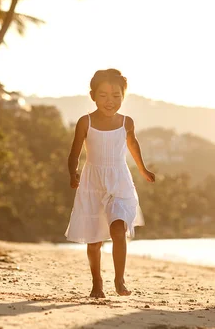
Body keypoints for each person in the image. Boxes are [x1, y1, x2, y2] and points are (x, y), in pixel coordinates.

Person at [65, 68, 155, 298]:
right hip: (92, 183)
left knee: (118, 228)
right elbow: (74, 152)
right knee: (94, 240)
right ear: (92, 95)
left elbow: (133, 146)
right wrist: (72, 173)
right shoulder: (85, 122)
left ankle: (119, 278)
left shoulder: (127, 122)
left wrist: (143, 169)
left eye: (116, 96)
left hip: (119, 182)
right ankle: (97, 282)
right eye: (103, 95)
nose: (110, 101)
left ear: (123, 97)